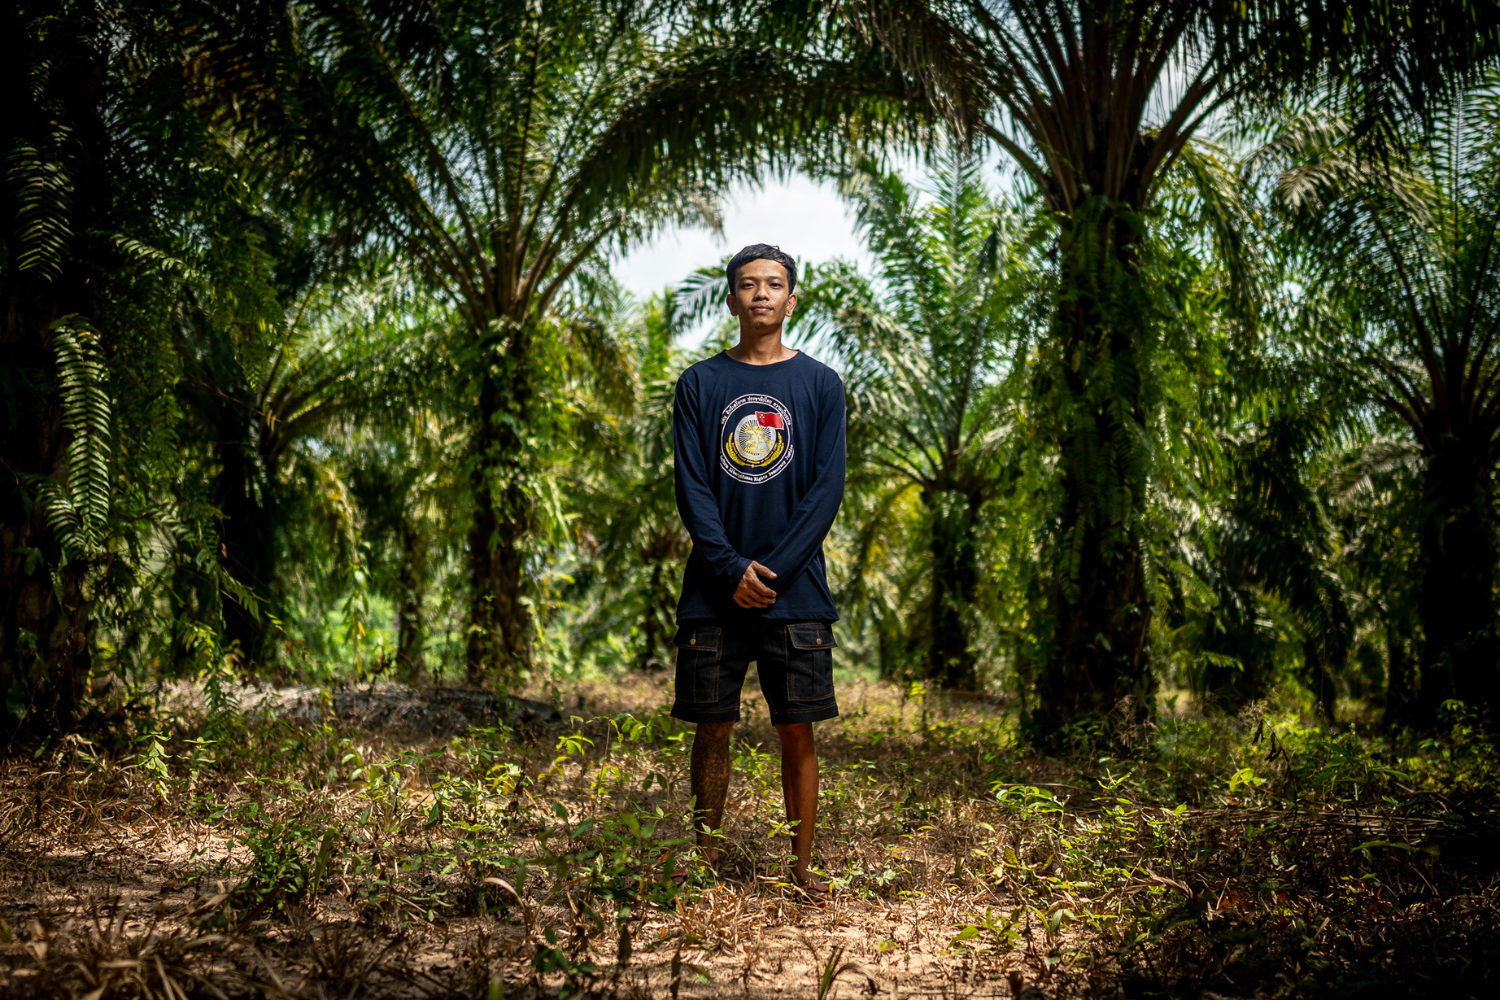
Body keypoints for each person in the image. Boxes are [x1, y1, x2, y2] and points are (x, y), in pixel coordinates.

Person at [670, 243, 846, 897]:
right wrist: (727, 568)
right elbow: (693, 487)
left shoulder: (821, 385)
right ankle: (706, 863)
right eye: (749, 285)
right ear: (731, 299)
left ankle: (802, 870)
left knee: (795, 727)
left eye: (774, 284)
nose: (762, 294)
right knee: (712, 728)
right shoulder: (700, 385)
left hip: (795, 596)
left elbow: (826, 490)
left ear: (792, 299)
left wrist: (767, 572)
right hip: (713, 595)